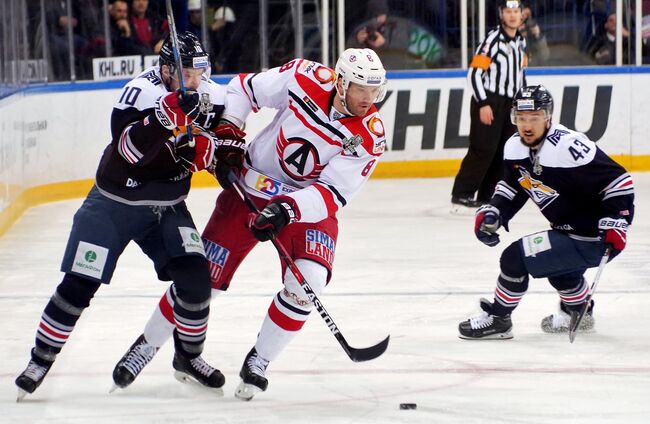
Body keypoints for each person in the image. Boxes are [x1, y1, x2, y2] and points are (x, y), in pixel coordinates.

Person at [112, 48, 388, 400]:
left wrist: (286, 211)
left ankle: (259, 360)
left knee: (308, 284)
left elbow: (332, 193)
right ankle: (146, 346)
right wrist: (229, 131)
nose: (368, 99)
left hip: (304, 209)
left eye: (374, 90)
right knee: (201, 283)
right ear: (342, 81)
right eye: (361, 89)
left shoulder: (370, 135)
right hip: (249, 188)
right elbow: (243, 88)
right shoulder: (303, 77)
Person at [14, 31, 234, 400]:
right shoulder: (140, 93)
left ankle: (188, 358)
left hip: (166, 207)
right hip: (113, 204)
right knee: (78, 286)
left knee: (196, 280)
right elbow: (129, 151)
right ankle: (40, 360)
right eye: (189, 74)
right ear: (166, 70)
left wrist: (220, 153)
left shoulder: (208, 93)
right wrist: (164, 117)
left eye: (201, 72)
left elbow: (220, 133)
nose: (197, 82)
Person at [457, 85, 635, 340]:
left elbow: (619, 181)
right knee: (561, 272)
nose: (527, 126)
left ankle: (499, 319)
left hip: (596, 236)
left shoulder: (569, 147)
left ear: (548, 118)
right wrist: (495, 211)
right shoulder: (513, 148)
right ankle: (578, 311)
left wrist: (618, 220)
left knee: (514, 258)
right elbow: (512, 185)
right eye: (521, 119)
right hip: (568, 230)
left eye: (534, 118)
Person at [450, 0, 527, 214]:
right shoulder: (492, 40)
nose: (512, 15)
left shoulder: (521, 42)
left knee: (503, 152)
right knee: (482, 149)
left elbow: (521, 75)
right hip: (489, 101)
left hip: (509, 104)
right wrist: (483, 103)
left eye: (516, 11)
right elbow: (474, 74)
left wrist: (521, 104)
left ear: (522, 15)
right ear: (502, 15)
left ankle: (487, 196)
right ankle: (462, 194)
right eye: (508, 11)